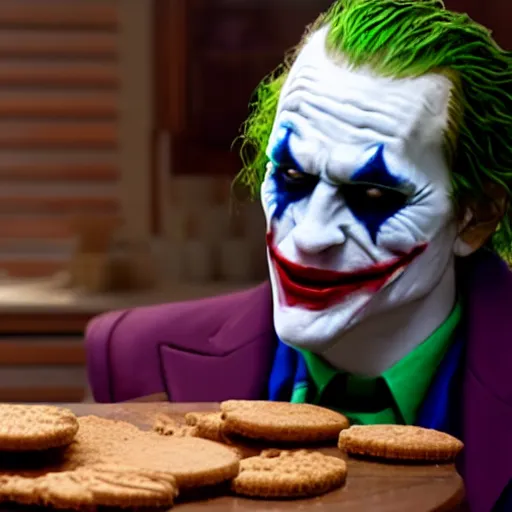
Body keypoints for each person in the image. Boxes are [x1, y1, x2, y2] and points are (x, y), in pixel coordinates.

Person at [85, 1, 512, 510]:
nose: (310, 236)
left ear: (476, 215)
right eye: (292, 177)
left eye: (373, 195)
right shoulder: (134, 361)